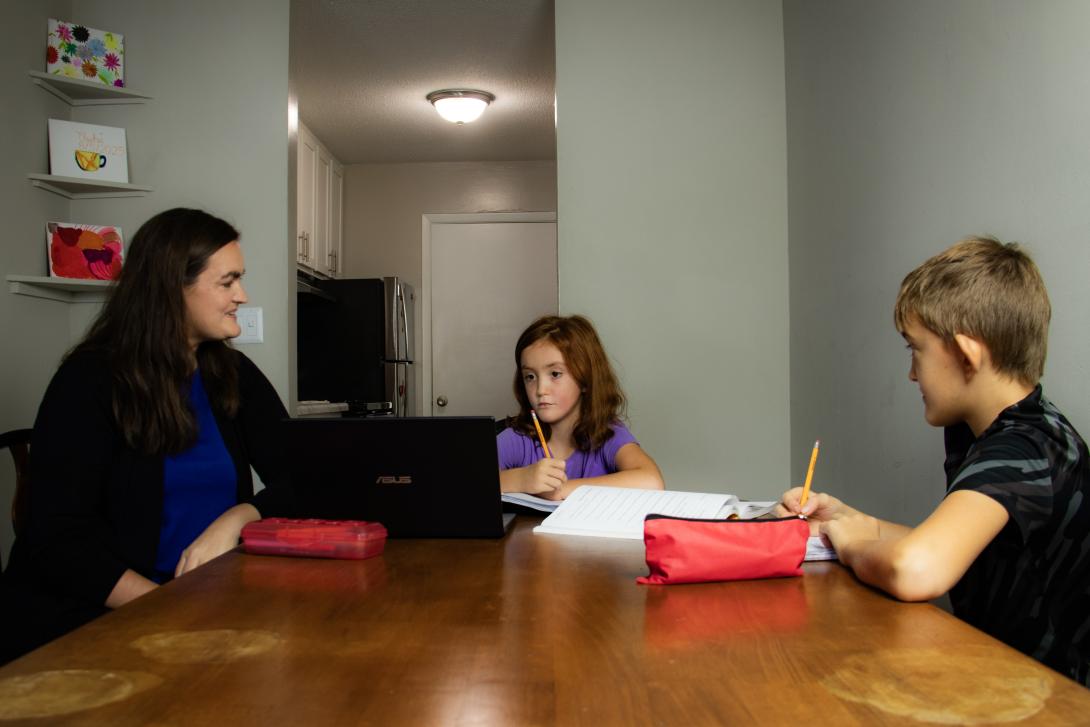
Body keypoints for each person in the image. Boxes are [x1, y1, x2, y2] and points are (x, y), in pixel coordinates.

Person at [778, 236, 1089, 685]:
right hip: (1002, 677)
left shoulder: (1024, 451)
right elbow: (955, 546)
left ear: (966, 354)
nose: (910, 373)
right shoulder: (1000, 429)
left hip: (1054, 697)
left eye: (915, 350)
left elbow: (916, 568)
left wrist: (849, 544)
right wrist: (844, 520)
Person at [2, 208, 294, 663]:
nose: (242, 295)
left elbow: (304, 476)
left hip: (201, 608)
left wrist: (241, 515)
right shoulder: (90, 380)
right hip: (89, 622)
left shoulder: (232, 374)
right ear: (172, 287)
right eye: (227, 281)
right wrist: (165, 608)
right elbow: (55, 539)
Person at [497, 314, 664, 500]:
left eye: (555, 374)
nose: (540, 389)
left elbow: (651, 482)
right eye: (530, 376)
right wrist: (520, 479)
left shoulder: (607, 435)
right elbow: (462, 484)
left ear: (585, 380)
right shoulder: (517, 438)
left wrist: (561, 490)